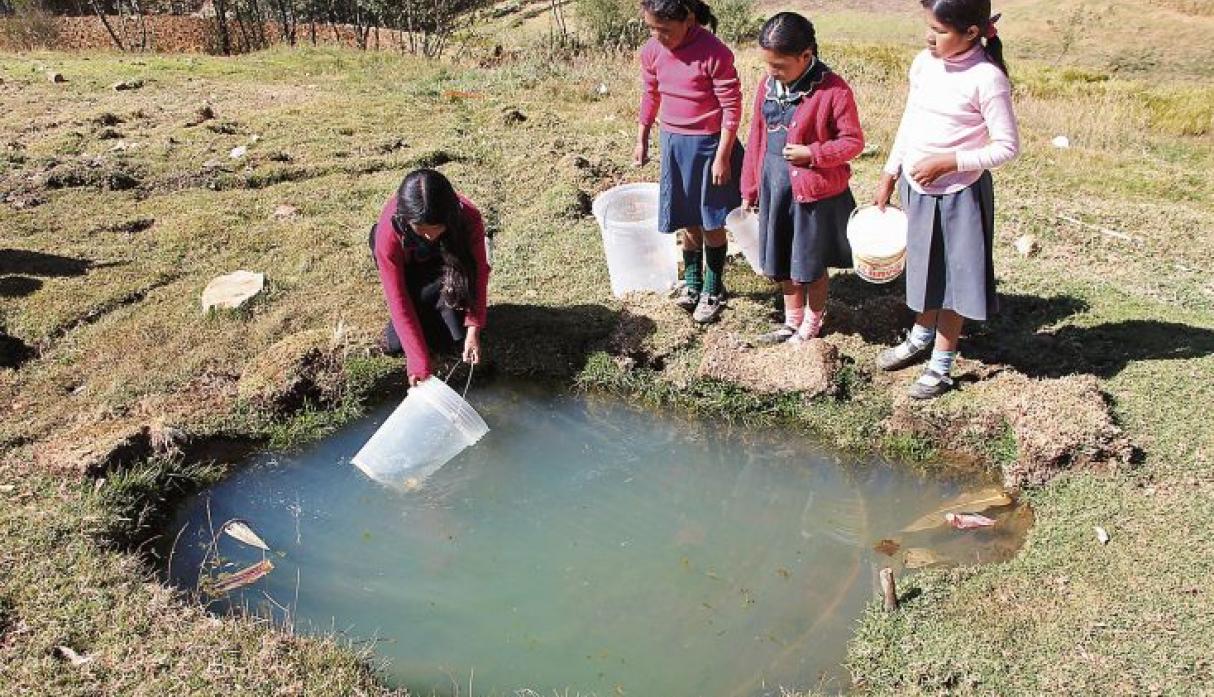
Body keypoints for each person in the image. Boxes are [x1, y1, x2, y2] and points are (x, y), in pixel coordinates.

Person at [873, 0, 1020, 399]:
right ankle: (921, 336)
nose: (928, 37)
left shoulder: (987, 79)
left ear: (971, 33)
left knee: (954, 279)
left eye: (938, 31)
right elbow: (910, 119)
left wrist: (950, 162)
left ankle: (941, 364)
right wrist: (890, 171)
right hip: (916, 188)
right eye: (929, 27)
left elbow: (1007, 147)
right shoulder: (925, 64)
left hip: (959, 194)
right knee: (924, 268)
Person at [739, 12, 865, 344]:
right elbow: (756, 136)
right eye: (767, 64)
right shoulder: (768, 85)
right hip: (775, 188)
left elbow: (853, 142)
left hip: (813, 197)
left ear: (806, 55)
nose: (771, 72)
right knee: (782, 256)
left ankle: (812, 322)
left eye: (779, 66)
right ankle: (791, 319)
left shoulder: (833, 90)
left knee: (810, 263)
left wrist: (813, 154)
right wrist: (750, 186)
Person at [635, 0, 744, 323]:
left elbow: (731, 108)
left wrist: (722, 156)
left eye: (665, 30)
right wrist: (642, 137)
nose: (658, 36)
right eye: (651, 28)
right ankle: (693, 282)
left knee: (711, 220)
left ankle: (714, 288)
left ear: (690, 20)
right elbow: (651, 94)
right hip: (674, 144)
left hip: (709, 147)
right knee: (686, 216)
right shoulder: (652, 52)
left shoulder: (715, 54)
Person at [369, 168, 491, 386]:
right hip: (411, 266)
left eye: (436, 227)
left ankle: (439, 302)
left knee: (454, 336)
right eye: (421, 228)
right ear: (407, 220)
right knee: (397, 344)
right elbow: (397, 297)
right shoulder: (389, 233)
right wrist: (418, 363)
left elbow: (479, 272)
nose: (429, 235)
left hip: (448, 261)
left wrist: (474, 328)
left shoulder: (468, 217)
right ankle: (427, 299)